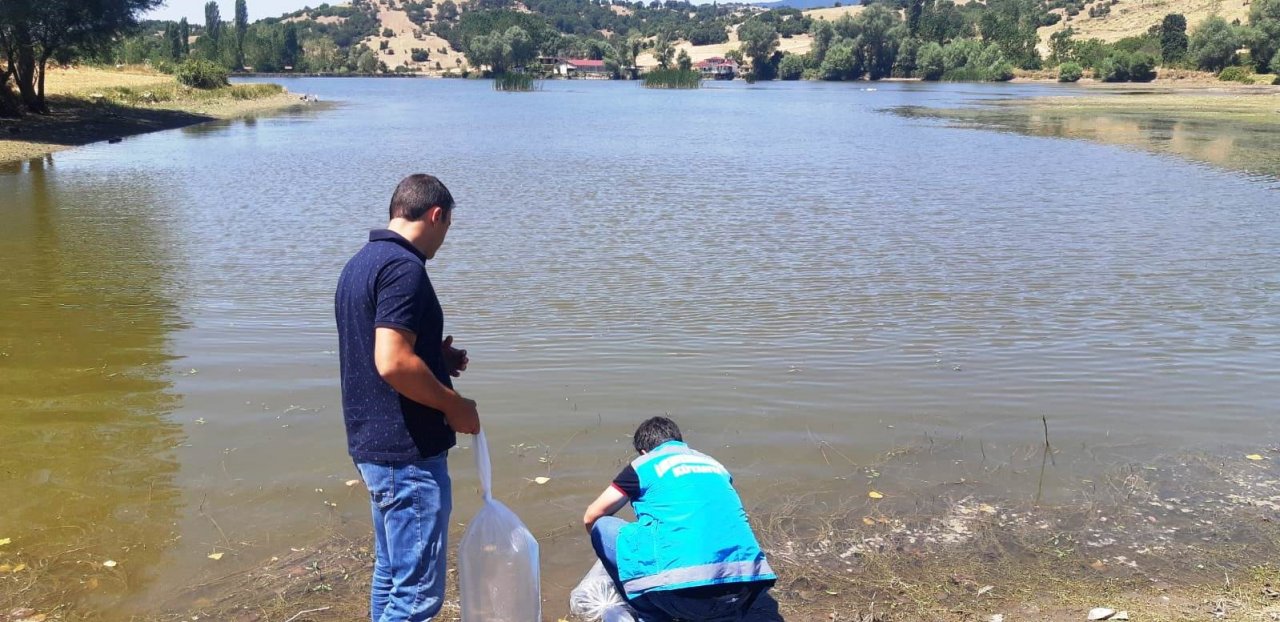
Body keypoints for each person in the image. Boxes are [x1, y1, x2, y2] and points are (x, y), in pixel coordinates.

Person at [335, 174, 480, 622]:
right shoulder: (405, 268)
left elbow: (373, 337)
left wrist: (434, 354)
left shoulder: (362, 262)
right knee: (417, 597)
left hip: (374, 446)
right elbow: (392, 362)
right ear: (436, 216)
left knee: (391, 575)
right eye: (448, 226)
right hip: (408, 453)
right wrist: (454, 406)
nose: (444, 239)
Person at [583, 416, 781, 622]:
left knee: (602, 526)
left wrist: (620, 556)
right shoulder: (716, 466)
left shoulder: (644, 464)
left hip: (680, 598)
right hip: (744, 592)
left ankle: (650, 614)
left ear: (643, 451)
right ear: (678, 441)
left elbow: (592, 516)